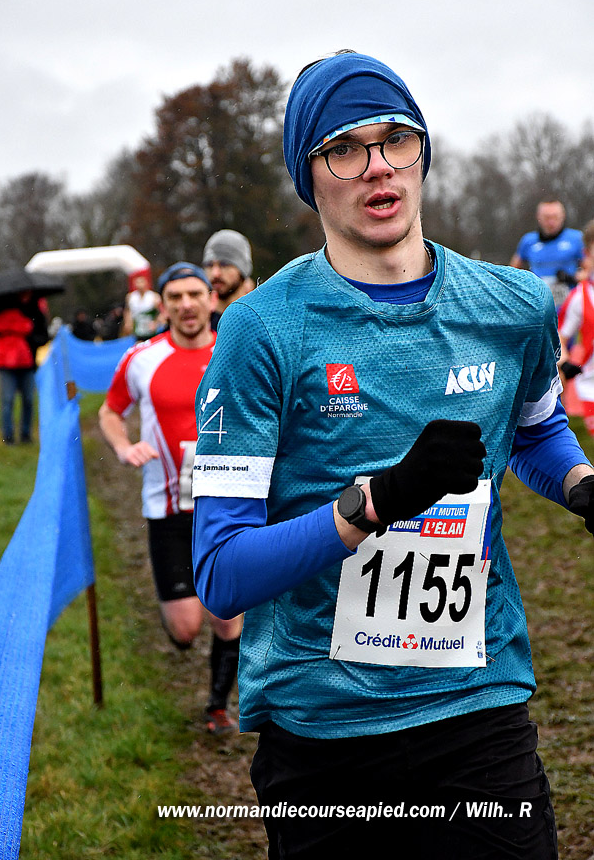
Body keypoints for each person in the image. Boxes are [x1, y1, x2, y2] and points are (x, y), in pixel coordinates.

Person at [191, 51, 594, 858]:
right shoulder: (261, 330)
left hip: (478, 709)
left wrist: (581, 483)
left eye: (395, 139)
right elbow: (222, 573)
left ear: (421, 152)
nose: (377, 166)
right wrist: (369, 505)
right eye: (342, 148)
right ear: (308, 175)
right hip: (323, 732)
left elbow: (532, 428)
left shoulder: (512, 305)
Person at [99, 262, 242, 734]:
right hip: (167, 509)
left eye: (195, 294)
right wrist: (123, 447)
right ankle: (181, 622)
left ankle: (217, 708)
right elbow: (110, 412)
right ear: (162, 307)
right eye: (175, 297)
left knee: (228, 619)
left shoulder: (236, 350)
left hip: (227, 507)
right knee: (185, 630)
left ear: (212, 300)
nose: (186, 305)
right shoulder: (141, 358)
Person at [0, 290, 48, 444]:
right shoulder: (2, 308)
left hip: (28, 363)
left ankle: (25, 435)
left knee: (28, 400)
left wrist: (29, 340)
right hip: (6, 364)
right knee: (7, 400)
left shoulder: (34, 311)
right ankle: (8, 436)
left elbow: (43, 335)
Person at [510, 199, 584, 308]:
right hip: (539, 305)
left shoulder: (577, 239)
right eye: (547, 218)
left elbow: (589, 271)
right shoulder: (528, 241)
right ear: (538, 217)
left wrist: (572, 278)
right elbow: (512, 270)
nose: (551, 222)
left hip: (569, 305)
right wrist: (525, 283)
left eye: (555, 217)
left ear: (563, 216)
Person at [558, 220, 594, 433]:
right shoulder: (580, 296)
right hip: (590, 390)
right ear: (587, 253)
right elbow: (559, 339)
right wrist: (565, 363)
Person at [202, 229, 255, 328]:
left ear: (242, 270)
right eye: (209, 265)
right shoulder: (198, 327)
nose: (215, 273)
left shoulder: (259, 320)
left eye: (224, 264)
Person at [122, 274, 162, 341]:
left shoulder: (154, 296)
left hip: (150, 328)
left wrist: (156, 323)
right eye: (137, 282)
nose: (139, 285)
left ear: (146, 283)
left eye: (141, 282)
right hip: (137, 328)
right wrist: (128, 322)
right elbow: (127, 311)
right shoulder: (130, 297)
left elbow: (161, 312)